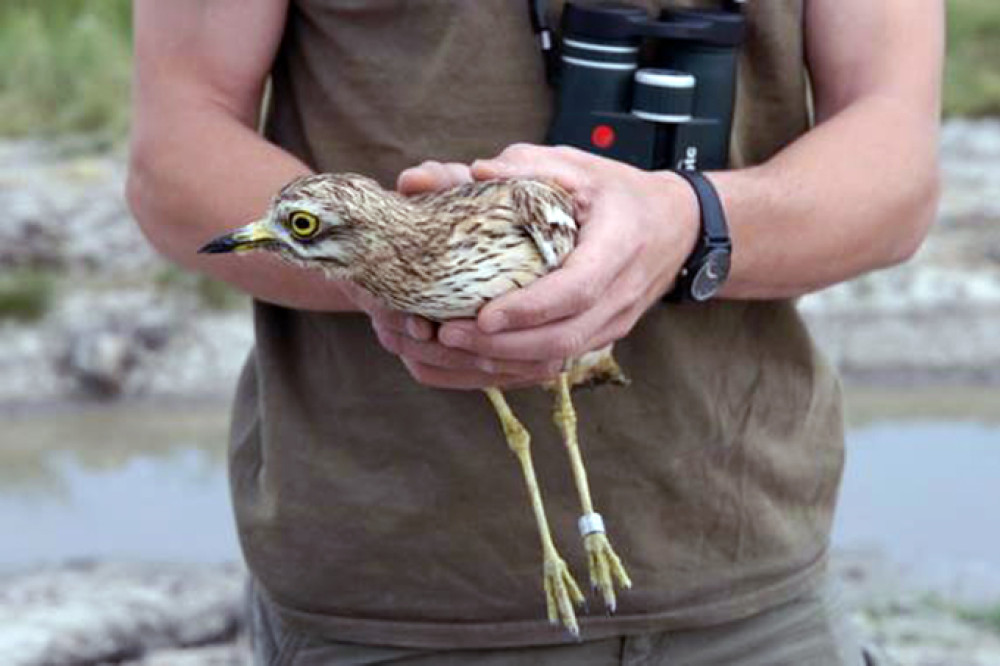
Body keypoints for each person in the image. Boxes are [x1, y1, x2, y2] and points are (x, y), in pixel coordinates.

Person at [127, 1, 942, 664]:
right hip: (385, 605)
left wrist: (687, 224)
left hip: (755, 591)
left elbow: (896, 171)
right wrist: (399, 270)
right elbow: (175, 154)